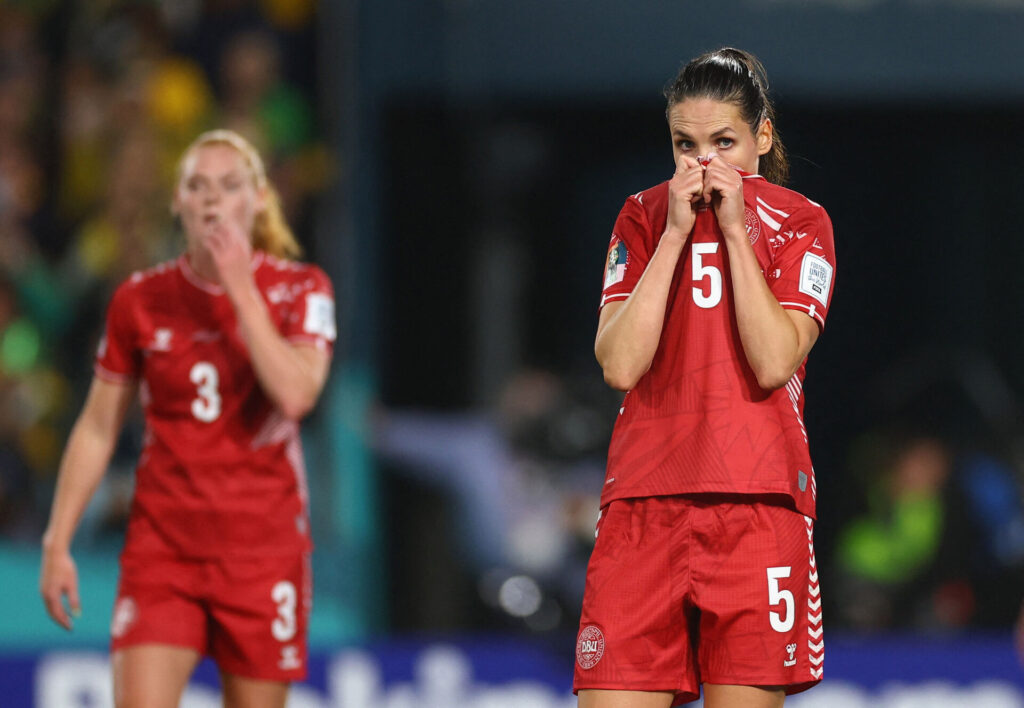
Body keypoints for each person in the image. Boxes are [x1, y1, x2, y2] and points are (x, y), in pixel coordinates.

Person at [574, 48, 837, 708]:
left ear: (763, 136)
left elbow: (776, 359)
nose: (703, 162)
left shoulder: (802, 223)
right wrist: (673, 235)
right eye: (685, 144)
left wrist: (734, 231)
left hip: (757, 506)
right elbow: (619, 363)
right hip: (643, 504)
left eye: (724, 142)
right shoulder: (640, 216)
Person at [39, 129, 336, 708]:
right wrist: (58, 540)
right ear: (177, 201)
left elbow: (297, 395)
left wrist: (239, 288)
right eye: (196, 186)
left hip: (261, 551)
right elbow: (98, 426)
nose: (211, 200)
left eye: (228, 186)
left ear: (256, 199)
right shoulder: (140, 299)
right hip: (164, 550)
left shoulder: (302, 289)